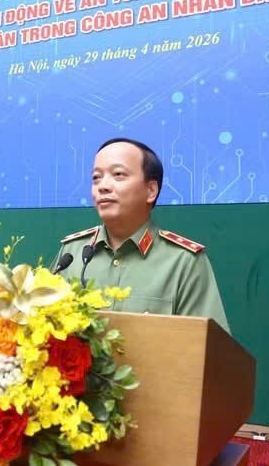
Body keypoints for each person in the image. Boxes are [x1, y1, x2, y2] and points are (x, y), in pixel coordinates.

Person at [53, 138, 231, 333]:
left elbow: (206, 345)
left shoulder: (183, 262)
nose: (102, 186)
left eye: (118, 174)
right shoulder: (71, 254)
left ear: (151, 190)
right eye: (96, 177)